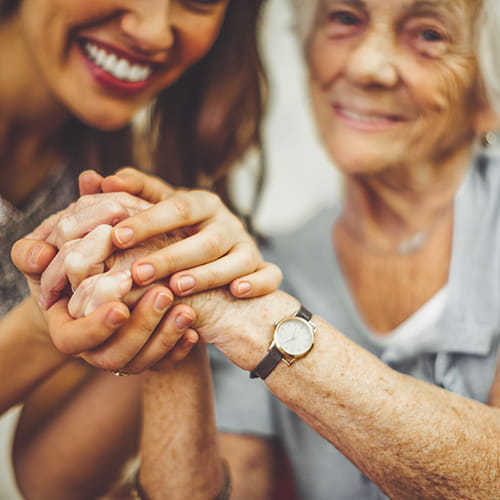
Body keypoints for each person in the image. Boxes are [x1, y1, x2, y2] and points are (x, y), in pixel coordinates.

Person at [11, 0, 500, 498]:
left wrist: (253, 321)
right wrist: (169, 290)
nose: (365, 66)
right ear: (307, 48)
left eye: (431, 35)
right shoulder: (271, 263)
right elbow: (53, 482)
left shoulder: (255, 286)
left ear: (491, 85)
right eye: (345, 20)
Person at [0, 0, 284, 497]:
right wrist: (45, 321)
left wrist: (179, 295)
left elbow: (50, 479)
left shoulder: (116, 179)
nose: (152, 32)